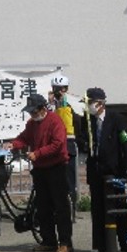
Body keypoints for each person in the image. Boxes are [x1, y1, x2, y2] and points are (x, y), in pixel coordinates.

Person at [4, 94, 73, 252]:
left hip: (57, 168)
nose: (32, 115)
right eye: (30, 113)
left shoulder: (55, 121)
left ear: (43, 109)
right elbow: (24, 138)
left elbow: (58, 144)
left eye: (34, 112)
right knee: (43, 207)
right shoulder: (32, 124)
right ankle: (48, 241)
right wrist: (12, 144)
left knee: (61, 207)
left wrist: (38, 153)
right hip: (40, 169)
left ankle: (66, 243)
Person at [82, 87, 127, 252]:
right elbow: (82, 139)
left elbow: (126, 143)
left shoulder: (116, 119)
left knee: (120, 209)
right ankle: (102, 247)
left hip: (114, 171)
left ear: (99, 104)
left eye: (90, 103)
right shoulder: (87, 121)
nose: (88, 107)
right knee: (98, 210)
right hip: (96, 171)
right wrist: (85, 144)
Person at [48, 75, 81, 221]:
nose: (58, 91)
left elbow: (78, 124)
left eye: (61, 89)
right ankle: (57, 209)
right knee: (55, 179)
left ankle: (72, 210)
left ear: (66, 89)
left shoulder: (72, 104)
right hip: (54, 145)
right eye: (55, 89)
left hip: (68, 143)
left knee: (69, 181)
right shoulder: (50, 105)